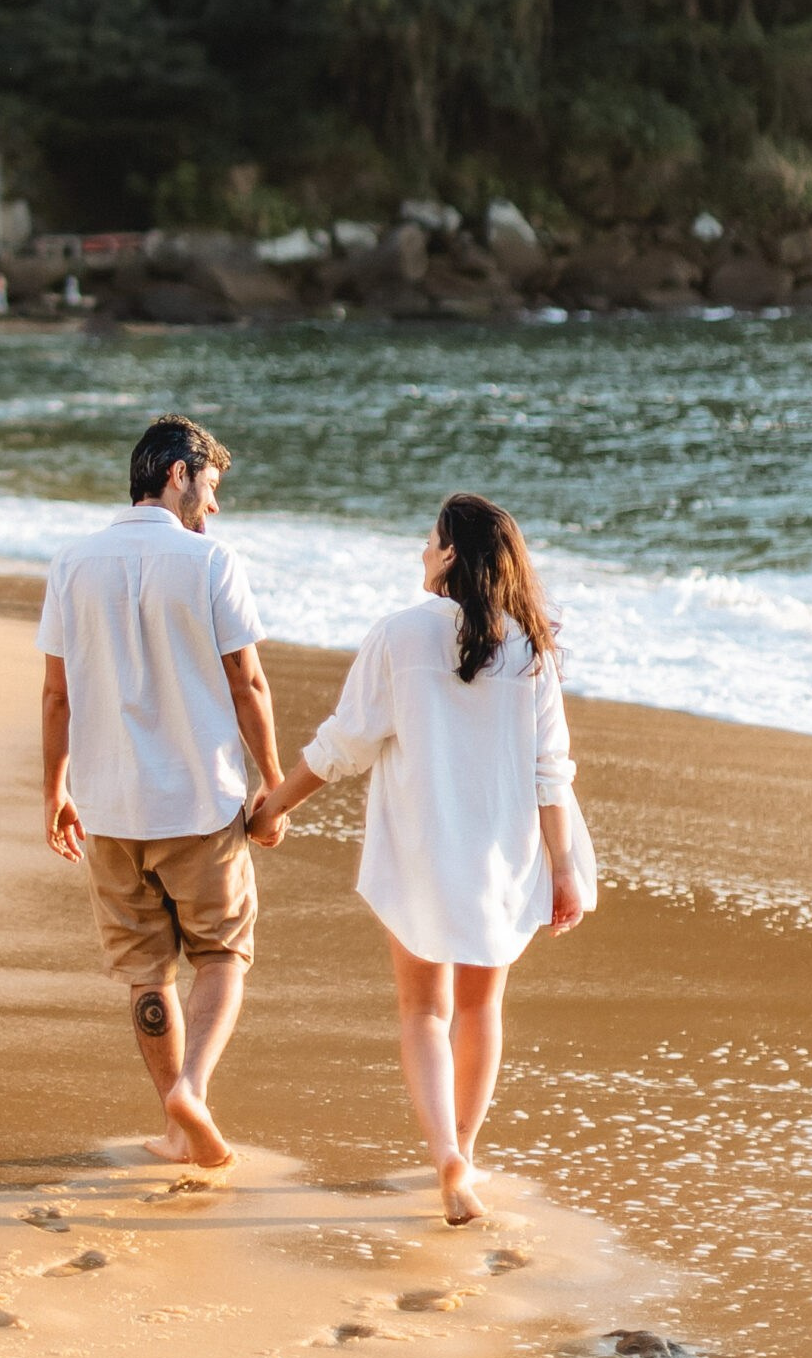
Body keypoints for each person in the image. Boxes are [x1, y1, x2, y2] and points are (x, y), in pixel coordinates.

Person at [249, 492, 586, 1225]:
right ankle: (466, 1148)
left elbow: (343, 745)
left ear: (449, 554)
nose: (421, 550)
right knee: (481, 1006)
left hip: (421, 850)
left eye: (430, 539)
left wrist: (273, 806)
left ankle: (446, 1157)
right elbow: (550, 774)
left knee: (423, 1011)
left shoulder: (399, 635)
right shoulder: (528, 648)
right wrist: (563, 868)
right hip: (502, 855)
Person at [39, 416, 285, 1171]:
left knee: (148, 974)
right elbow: (247, 683)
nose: (213, 506)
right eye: (209, 486)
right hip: (199, 804)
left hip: (110, 810)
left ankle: (176, 1127)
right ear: (178, 473)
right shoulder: (210, 562)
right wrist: (274, 784)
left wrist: (55, 792)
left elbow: (56, 696)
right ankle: (192, 1093)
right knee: (222, 955)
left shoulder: (72, 563)